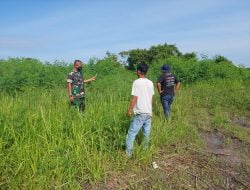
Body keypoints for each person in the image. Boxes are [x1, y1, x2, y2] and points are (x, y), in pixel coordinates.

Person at [126, 63, 155, 157]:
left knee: (131, 133)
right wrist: (150, 109)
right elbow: (151, 98)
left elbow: (135, 97)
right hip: (148, 112)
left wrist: (129, 110)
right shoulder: (150, 82)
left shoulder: (137, 82)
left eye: (136, 70)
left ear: (138, 71)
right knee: (146, 133)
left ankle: (128, 154)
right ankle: (145, 151)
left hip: (140, 112)